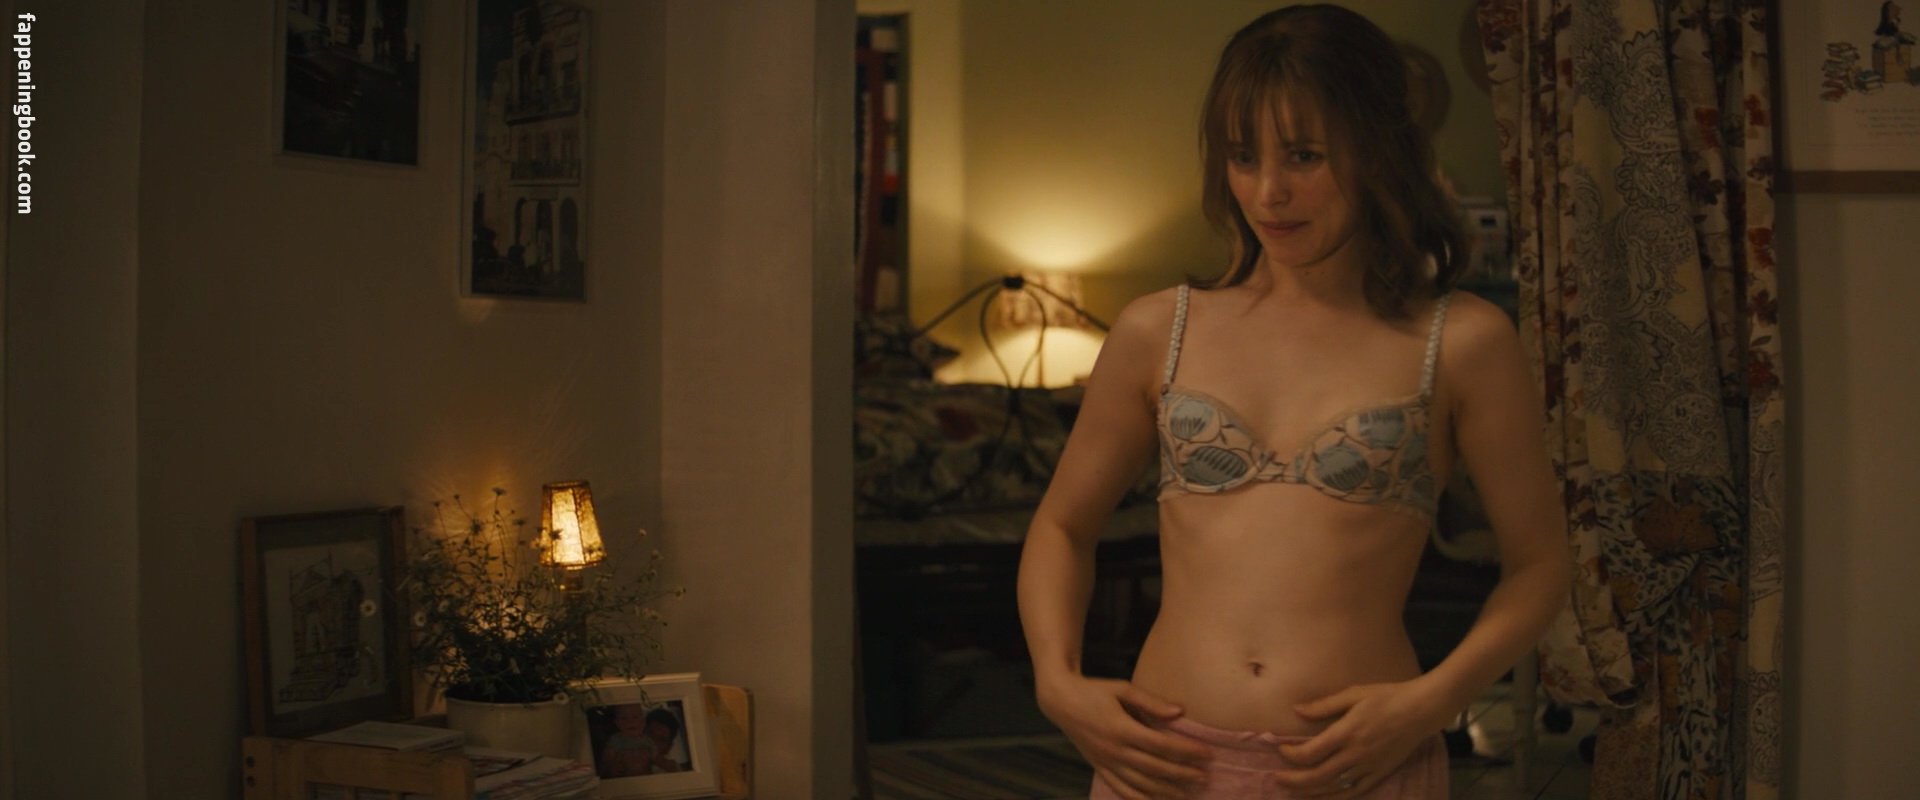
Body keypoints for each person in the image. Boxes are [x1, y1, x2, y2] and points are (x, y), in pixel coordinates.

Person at [1015, 6, 1571, 799]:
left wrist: (1431, 702)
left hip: (1357, 768)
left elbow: (1541, 565)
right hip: (1164, 769)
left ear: (1378, 150)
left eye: (1304, 156)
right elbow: (1062, 526)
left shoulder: (1462, 341)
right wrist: (1056, 681)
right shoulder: (1157, 330)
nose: (1269, 192)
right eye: (1243, 157)